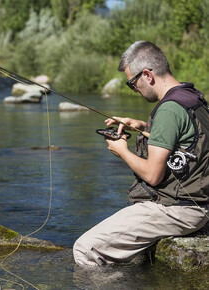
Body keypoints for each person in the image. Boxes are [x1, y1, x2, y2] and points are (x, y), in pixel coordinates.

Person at [73, 41, 209, 267]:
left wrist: (122, 151)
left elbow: (153, 175)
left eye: (132, 82)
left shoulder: (168, 110)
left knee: (85, 249)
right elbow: (189, 139)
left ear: (147, 74)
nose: (134, 89)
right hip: (200, 202)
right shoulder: (192, 96)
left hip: (180, 209)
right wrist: (141, 127)